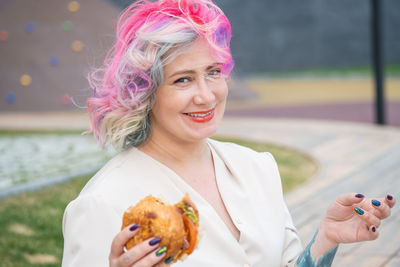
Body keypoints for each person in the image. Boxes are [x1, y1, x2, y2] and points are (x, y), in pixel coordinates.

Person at [62, 0, 396, 266]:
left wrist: (326, 239)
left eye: (213, 72)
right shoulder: (102, 204)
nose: (206, 95)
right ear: (144, 92)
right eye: (183, 79)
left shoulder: (257, 167)